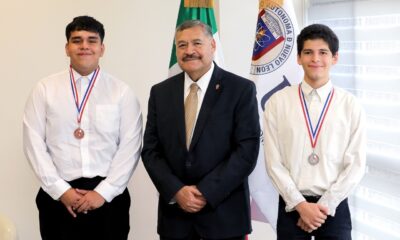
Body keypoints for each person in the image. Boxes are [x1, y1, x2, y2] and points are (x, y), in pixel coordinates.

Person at [23, 16, 142, 240]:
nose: (84, 46)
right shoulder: (44, 89)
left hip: (109, 197)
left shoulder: (121, 92)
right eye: (77, 40)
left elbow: (131, 146)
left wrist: (102, 193)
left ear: (102, 48)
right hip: (58, 197)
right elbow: (33, 144)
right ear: (67, 48)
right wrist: (61, 191)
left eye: (91, 40)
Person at [141, 19, 260, 240]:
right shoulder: (160, 92)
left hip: (224, 217)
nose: (189, 51)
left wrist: (205, 192)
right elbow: (151, 150)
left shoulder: (240, 90)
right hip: (176, 218)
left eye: (197, 43)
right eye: (182, 45)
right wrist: (177, 191)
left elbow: (246, 151)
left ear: (212, 46)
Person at [264, 23, 366, 239]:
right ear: (298, 58)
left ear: (335, 58)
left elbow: (356, 165)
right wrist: (301, 205)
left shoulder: (350, 105)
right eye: (308, 52)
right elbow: (273, 162)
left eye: (323, 53)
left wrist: (323, 207)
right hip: (292, 206)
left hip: (333, 207)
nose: (315, 59)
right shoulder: (278, 102)